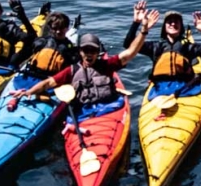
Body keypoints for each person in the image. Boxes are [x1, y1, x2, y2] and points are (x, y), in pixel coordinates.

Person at [11, 9, 161, 116]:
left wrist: (144, 30)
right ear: (80, 52)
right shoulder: (72, 70)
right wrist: (28, 91)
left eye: (93, 51)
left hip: (109, 108)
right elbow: (48, 83)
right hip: (83, 113)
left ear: (98, 53)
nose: (89, 54)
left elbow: (130, 52)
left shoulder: (106, 65)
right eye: (85, 51)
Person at [124, 2, 201, 99]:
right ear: (164, 27)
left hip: (186, 86)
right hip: (160, 87)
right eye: (169, 21)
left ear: (181, 27)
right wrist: (137, 23)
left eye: (176, 21)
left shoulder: (188, 47)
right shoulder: (155, 47)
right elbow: (128, 45)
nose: (173, 23)